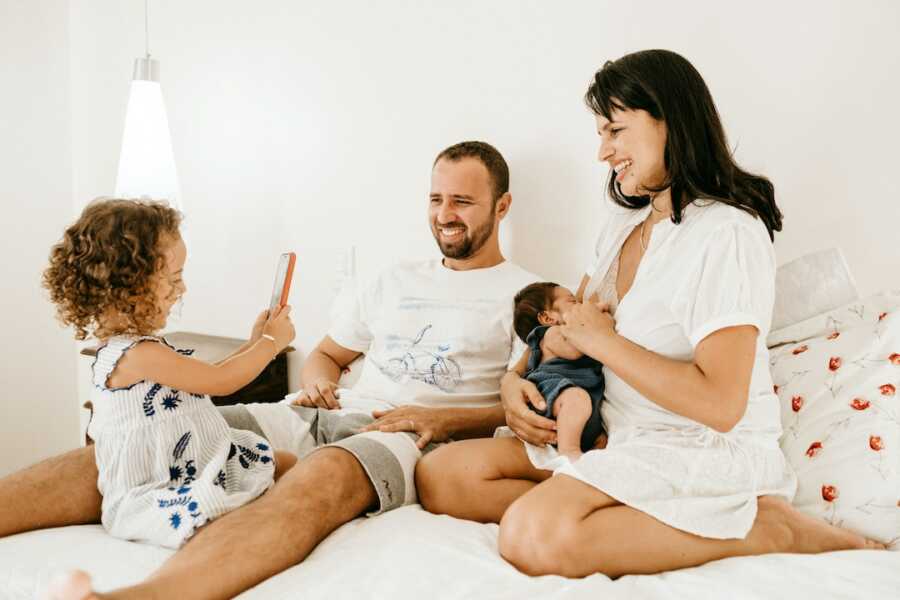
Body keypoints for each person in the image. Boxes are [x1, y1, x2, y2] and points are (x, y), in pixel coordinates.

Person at [416, 49, 885, 579]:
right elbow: (568, 325)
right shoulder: (623, 224)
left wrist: (606, 344)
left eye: (615, 131)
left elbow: (722, 403)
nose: (602, 152)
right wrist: (512, 379)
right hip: (614, 431)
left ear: (670, 121)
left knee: (531, 534)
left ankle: (770, 528)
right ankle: (617, 504)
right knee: (441, 476)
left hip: (697, 446)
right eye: (600, 133)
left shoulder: (726, 232)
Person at [2, 140, 540, 600]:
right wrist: (318, 382)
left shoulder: (528, 295)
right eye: (436, 198)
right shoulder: (393, 278)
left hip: (406, 435)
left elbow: (528, 408)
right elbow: (327, 355)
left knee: (316, 481)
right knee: (162, 434)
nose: (445, 213)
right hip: (318, 413)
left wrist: (443, 422)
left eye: (463, 201)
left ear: (503, 205)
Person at [41, 199, 297, 595]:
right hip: (159, 483)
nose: (183, 289)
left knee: (283, 462)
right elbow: (222, 382)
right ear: (130, 284)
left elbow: (207, 376)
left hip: (196, 459)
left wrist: (253, 342)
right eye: (174, 279)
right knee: (221, 511)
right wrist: (269, 344)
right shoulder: (139, 355)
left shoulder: (139, 348)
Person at [510, 282, 604, 460]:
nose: (581, 305)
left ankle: (585, 446)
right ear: (547, 318)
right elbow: (575, 349)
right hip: (551, 392)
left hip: (580, 401)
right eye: (573, 302)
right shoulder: (551, 334)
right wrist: (596, 314)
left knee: (587, 412)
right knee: (576, 399)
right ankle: (568, 451)